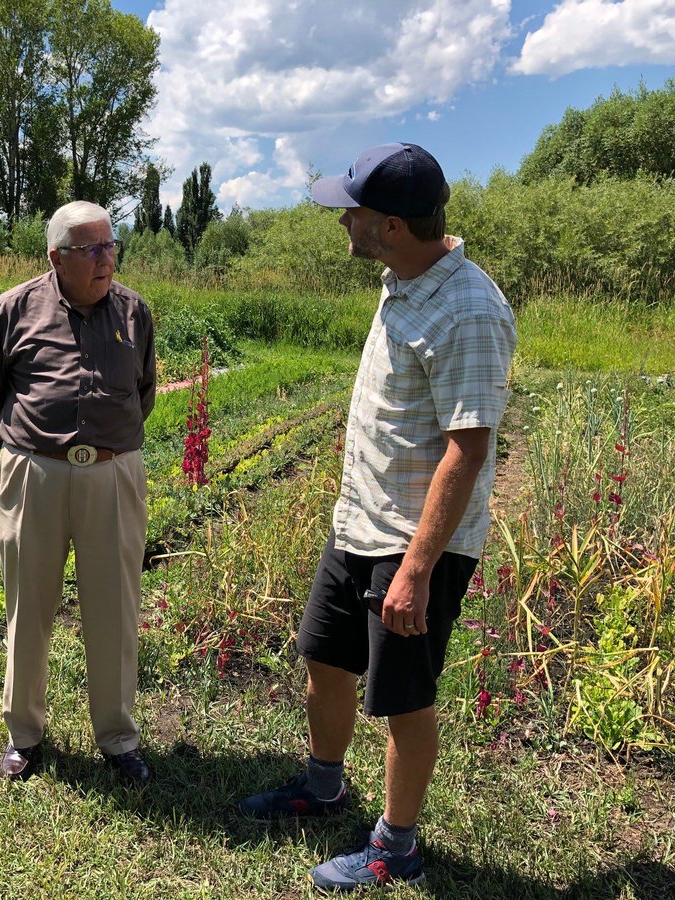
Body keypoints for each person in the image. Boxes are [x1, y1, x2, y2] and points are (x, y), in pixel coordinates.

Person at [239, 143, 516, 891]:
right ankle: (321, 785)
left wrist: (417, 572)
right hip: (359, 522)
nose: (343, 222)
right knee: (325, 660)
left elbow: (467, 450)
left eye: (351, 211)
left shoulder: (469, 311)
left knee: (403, 699)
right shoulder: (404, 278)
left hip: (414, 542)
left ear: (391, 224)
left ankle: (397, 845)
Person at [0, 200, 156, 784]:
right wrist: (35, 449)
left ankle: (118, 737)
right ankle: (24, 735)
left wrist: (105, 447)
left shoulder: (133, 312)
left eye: (110, 246)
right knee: (28, 607)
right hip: (36, 474)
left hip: (113, 474)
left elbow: (144, 392)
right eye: (91, 249)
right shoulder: (14, 308)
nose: (106, 260)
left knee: (115, 609)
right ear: (56, 257)